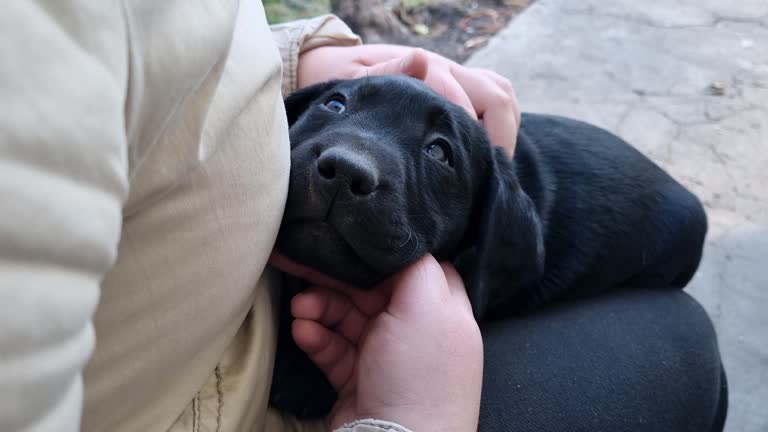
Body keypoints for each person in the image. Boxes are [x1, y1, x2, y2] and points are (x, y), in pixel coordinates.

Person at [0, 2, 726, 432]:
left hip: (651, 228)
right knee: (683, 344)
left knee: (677, 293)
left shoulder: (507, 225)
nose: (353, 162)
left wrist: (299, 66)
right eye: (335, 116)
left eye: (439, 156)